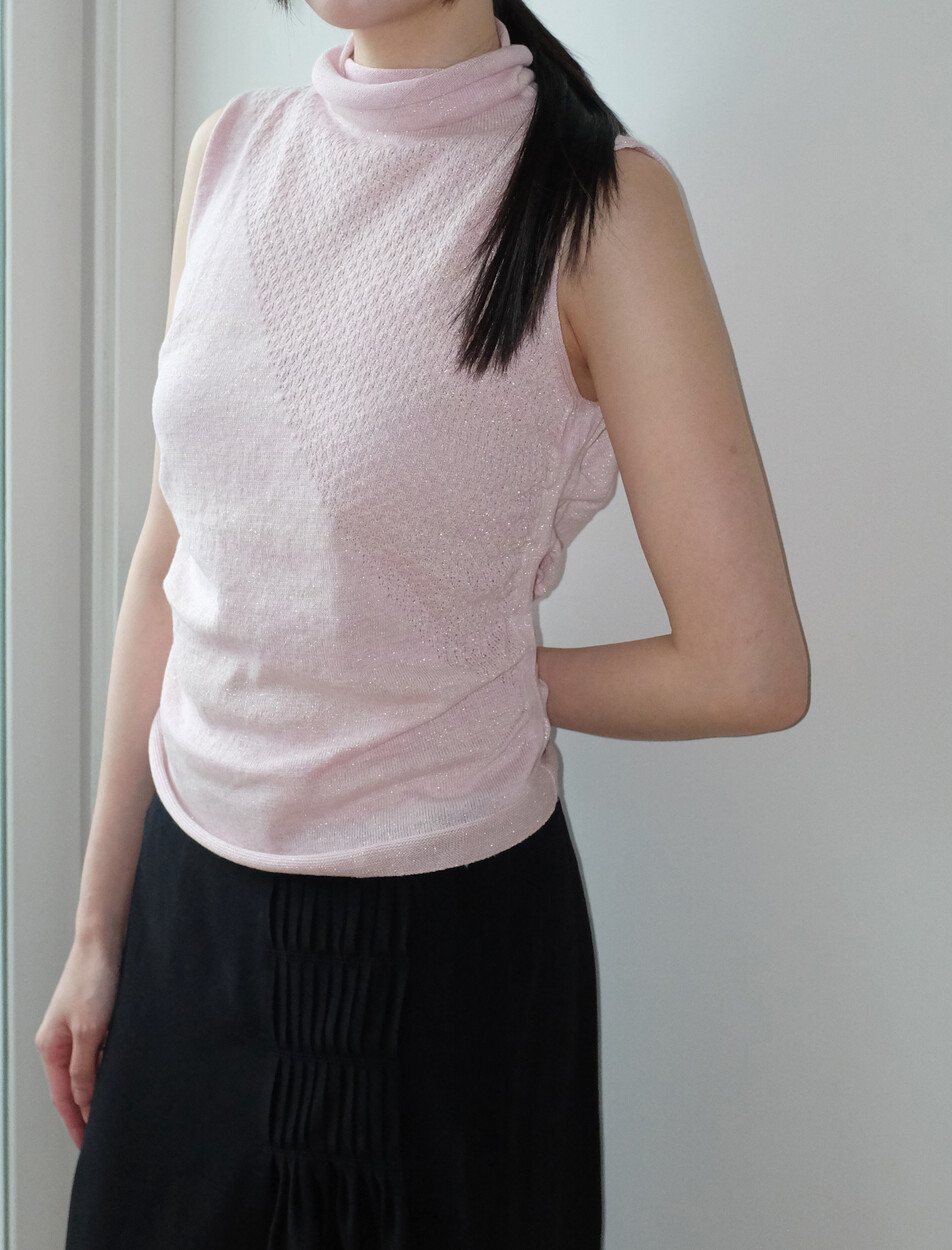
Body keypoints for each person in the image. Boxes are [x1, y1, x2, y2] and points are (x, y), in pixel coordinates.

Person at [37, 0, 810, 1245]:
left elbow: (749, 667)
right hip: (186, 916)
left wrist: (470, 667)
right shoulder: (228, 153)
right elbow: (165, 569)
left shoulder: (601, 209)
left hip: (436, 963)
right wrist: (97, 928)